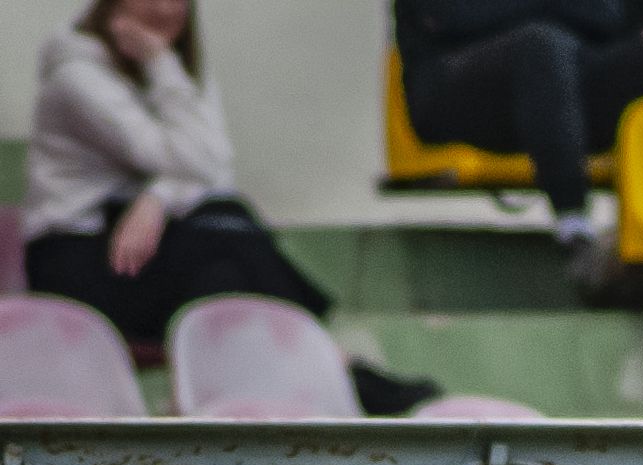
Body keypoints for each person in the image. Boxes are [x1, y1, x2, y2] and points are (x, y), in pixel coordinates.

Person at [23, 0, 437, 415]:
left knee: (224, 267)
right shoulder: (76, 76)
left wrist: (157, 198)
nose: (165, 8)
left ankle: (206, 411)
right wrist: (161, 65)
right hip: (75, 258)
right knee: (229, 233)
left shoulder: (173, 69)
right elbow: (185, 159)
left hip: (136, 247)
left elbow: (216, 165)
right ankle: (335, 365)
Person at [392, 1, 643, 297]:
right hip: (454, 84)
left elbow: (612, 14)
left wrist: (642, 28)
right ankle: (577, 232)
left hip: (572, 71)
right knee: (543, 45)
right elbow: (447, 17)